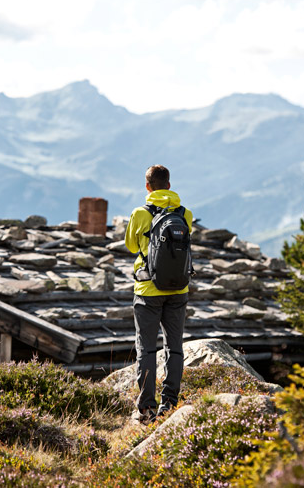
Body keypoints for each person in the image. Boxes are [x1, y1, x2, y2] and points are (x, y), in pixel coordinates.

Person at [125, 164, 193, 423]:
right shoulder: (185, 214)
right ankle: (171, 404)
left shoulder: (140, 213)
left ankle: (146, 408)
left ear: (147, 187)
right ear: (169, 185)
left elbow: (131, 246)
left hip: (147, 291)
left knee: (146, 348)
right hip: (179, 288)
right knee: (174, 347)